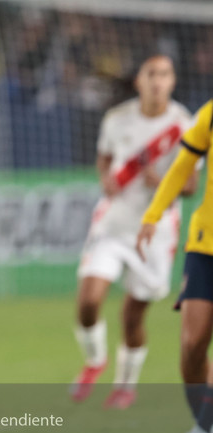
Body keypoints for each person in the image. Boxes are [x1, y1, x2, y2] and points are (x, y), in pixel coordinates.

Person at [71, 55, 196, 409]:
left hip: (155, 233)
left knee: (133, 316)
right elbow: (105, 159)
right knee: (89, 300)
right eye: (151, 74)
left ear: (172, 82)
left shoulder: (184, 124)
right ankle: (95, 361)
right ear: (139, 81)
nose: (158, 81)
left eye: (165, 75)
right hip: (113, 222)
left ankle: (125, 385)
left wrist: (166, 184)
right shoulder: (117, 119)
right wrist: (105, 179)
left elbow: (191, 185)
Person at [137, 97, 213, 433]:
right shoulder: (210, 113)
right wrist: (152, 214)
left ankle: (205, 431)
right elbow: (183, 166)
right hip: (205, 242)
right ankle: (205, 429)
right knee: (192, 344)